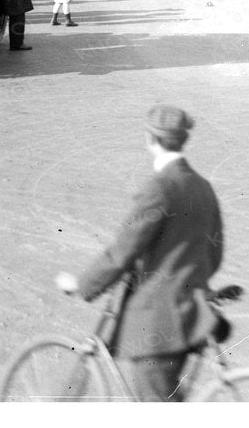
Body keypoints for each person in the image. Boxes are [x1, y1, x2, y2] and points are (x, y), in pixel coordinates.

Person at [57, 106, 224, 403]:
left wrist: (83, 285)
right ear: (183, 140)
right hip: (192, 318)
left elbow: (123, 250)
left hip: (157, 322)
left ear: (150, 139)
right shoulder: (203, 187)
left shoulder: (158, 187)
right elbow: (214, 251)